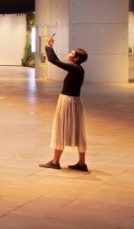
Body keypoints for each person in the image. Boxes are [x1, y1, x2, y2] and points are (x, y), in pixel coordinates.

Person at [39, 36, 88, 171]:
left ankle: (55, 162)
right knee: (77, 131)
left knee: (61, 129)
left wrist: (48, 47)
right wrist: (50, 47)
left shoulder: (75, 69)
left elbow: (53, 60)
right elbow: (56, 60)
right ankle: (81, 163)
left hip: (68, 102)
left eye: (71, 53)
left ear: (76, 58)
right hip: (73, 102)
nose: (69, 54)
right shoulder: (77, 69)